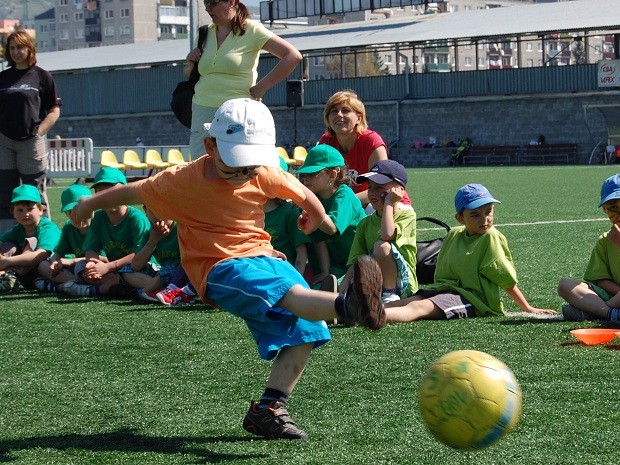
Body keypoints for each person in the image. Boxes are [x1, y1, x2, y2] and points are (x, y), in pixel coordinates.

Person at [71, 98, 386, 440]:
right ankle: (347, 306)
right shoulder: (182, 180)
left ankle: (269, 409)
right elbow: (132, 192)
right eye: (235, 164)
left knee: (306, 330)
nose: (245, 172)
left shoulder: (263, 171)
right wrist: (87, 203)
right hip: (217, 267)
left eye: (251, 165)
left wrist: (320, 221)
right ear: (210, 145)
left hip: (265, 256)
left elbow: (301, 193)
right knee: (285, 294)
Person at [385, 183, 556, 322]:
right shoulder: (454, 234)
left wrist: (527, 308)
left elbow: (504, 278)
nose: (485, 220)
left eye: (488, 212)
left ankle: (368, 317)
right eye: (475, 215)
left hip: (473, 300)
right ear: (460, 218)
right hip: (446, 290)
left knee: (418, 307)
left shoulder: (490, 237)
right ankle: (363, 313)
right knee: (407, 302)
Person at [184, 0, 302, 158]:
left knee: (237, 164)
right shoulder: (205, 32)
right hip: (202, 109)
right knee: (201, 167)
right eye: (205, 3)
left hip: (237, 112)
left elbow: (292, 56)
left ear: (232, 2)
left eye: (212, 2)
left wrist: (262, 87)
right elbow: (189, 75)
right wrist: (189, 63)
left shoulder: (252, 29)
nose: (207, 8)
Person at [0, 29, 62, 230]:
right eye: (12, 48)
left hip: (31, 141)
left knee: (34, 191)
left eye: (20, 47)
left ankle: (44, 236)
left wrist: (39, 132)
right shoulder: (2, 77)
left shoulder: (42, 76)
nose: (16, 52)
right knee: (6, 191)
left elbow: (54, 110)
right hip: (4, 142)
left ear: (30, 48)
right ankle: (7, 239)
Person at [63, 167, 151, 298]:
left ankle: (96, 290)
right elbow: (91, 249)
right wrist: (93, 263)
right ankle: (120, 288)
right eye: (102, 193)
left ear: (125, 191)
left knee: (128, 273)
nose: (108, 197)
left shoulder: (136, 218)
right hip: (112, 270)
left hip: (139, 268)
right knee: (81, 267)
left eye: (112, 191)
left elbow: (141, 256)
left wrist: (109, 267)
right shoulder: (99, 217)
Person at [341, 160, 418, 304]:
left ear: (399, 190)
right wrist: (345, 282)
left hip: (403, 285)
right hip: (375, 282)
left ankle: (390, 294)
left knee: (382, 247)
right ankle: (348, 300)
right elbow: (357, 258)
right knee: (362, 263)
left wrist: (389, 203)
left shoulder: (407, 216)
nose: (372, 192)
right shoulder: (365, 223)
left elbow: (387, 235)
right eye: (370, 187)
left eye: (379, 187)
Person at [318, 90, 410, 209]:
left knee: (373, 212)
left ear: (359, 118)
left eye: (345, 110)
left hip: (384, 202)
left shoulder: (371, 141)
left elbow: (382, 188)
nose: (339, 114)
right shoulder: (326, 142)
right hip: (347, 205)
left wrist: (343, 203)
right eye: (334, 111)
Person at [295, 144, 366, 286]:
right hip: (338, 265)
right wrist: (325, 271)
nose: (306, 179)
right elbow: (319, 239)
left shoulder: (344, 195)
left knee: (345, 287)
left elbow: (332, 227)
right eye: (304, 175)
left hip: (361, 261)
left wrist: (310, 207)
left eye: (313, 174)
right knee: (318, 287)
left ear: (333, 175)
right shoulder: (318, 198)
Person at [558, 174, 620, 322]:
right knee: (564, 285)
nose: (618, 214)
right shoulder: (605, 241)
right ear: (605, 210)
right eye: (612, 208)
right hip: (613, 296)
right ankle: (611, 313)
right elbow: (602, 281)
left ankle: (596, 312)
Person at [35, 183, 101, 293]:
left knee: (83, 267)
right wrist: (54, 263)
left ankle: (61, 286)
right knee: (43, 265)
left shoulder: (99, 224)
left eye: (78, 210)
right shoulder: (68, 227)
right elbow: (59, 253)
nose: (74, 216)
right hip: (75, 270)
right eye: (69, 212)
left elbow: (103, 258)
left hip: (93, 267)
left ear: (91, 208)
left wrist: (71, 261)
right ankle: (75, 284)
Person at [0, 184, 61, 294]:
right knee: (7, 245)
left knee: (32, 241)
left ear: (41, 210)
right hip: (27, 276)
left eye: (30, 209)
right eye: (19, 210)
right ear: (13, 212)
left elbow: (41, 255)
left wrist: (6, 261)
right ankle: (5, 277)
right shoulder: (18, 229)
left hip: (48, 272)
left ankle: (10, 278)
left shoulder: (48, 228)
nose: (25, 214)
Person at [264, 156, 311, 276]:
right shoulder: (250, 210)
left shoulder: (290, 212)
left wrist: (297, 281)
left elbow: (301, 252)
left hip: (283, 274)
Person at [128, 205, 182, 303]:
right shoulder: (150, 233)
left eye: (162, 210)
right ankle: (158, 290)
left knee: (169, 271)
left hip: (182, 273)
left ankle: (142, 293)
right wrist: (153, 240)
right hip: (161, 275)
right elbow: (135, 266)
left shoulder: (181, 229)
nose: (158, 215)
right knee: (126, 270)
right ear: (146, 211)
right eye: (152, 211)